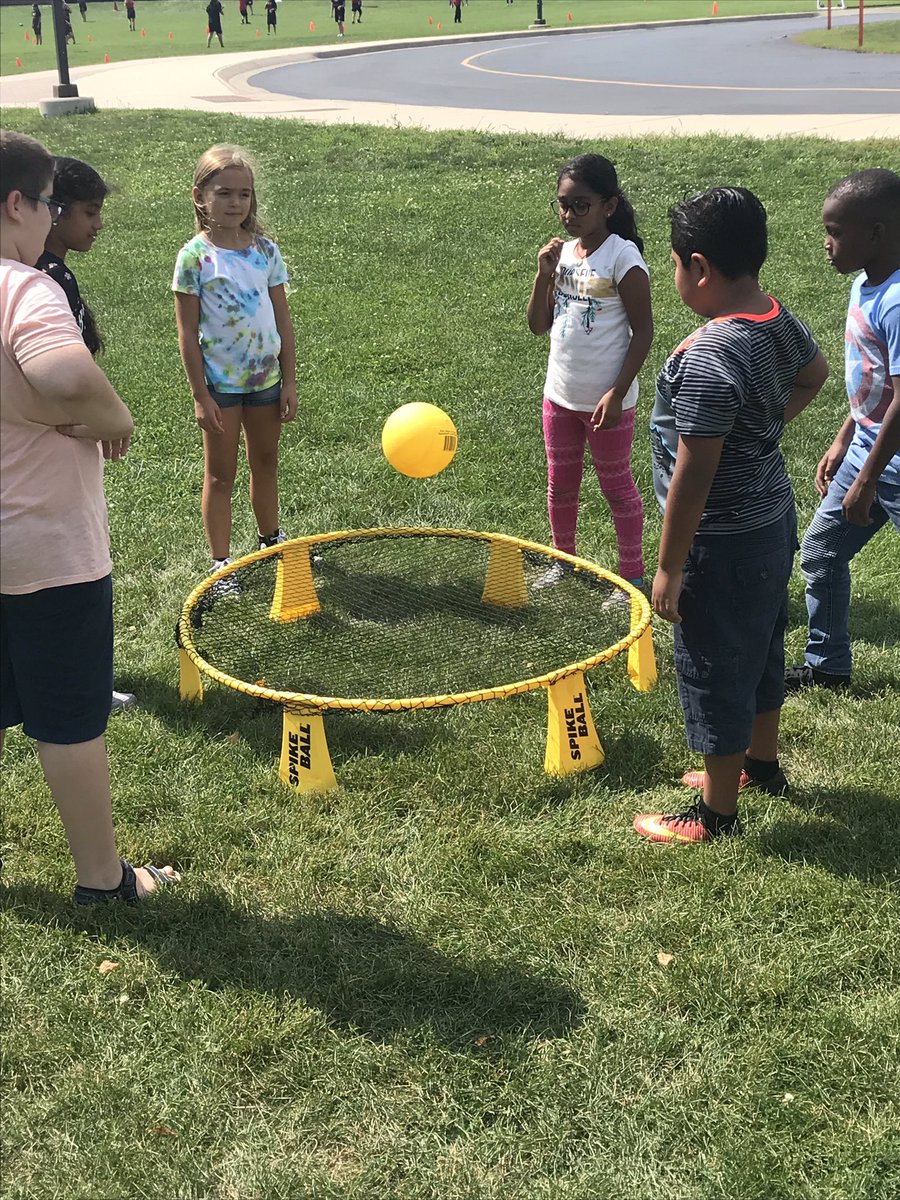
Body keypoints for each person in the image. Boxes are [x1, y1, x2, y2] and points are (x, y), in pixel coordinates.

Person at [0, 129, 179, 903]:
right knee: (69, 716)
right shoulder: (25, 286)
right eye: (46, 204)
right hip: (43, 546)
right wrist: (116, 417)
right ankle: (105, 882)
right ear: (16, 204)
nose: (50, 219)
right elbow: (70, 379)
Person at [634, 187, 829, 844]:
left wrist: (668, 566)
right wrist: (765, 429)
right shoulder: (775, 316)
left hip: (718, 543)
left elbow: (694, 474)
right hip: (771, 523)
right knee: (763, 646)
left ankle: (716, 814)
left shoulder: (713, 357)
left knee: (716, 664)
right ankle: (759, 764)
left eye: (673, 265)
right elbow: (815, 372)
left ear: (698, 267)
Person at [785, 169, 900, 692]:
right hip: (868, 450)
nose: (826, 245)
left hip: (889, 463)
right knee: (821, 552)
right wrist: (843, 438)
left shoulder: (897, 301)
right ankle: (827, 667)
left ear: (876, 233)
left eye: (835, 232)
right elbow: (871, 380)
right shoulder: (865, 282)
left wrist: (868, 478)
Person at [35, 157, 137, 714]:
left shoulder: (43, 271)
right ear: (52, 212)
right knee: (80, 563)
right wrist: (98, 420)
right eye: (90, 212)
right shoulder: (45, 279)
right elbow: (62, 370)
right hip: (57, 450)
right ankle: (86, 684)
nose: (98, 223)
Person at [526, 154, 652, 596]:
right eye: (563, 205)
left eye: (581, 205)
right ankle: (563, 560)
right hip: (559, 395)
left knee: (616, 487)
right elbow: (538, 325)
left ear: (609, 206)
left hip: (606, 402)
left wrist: (617, 393)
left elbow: (643, 333)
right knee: (560, 484)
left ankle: (632, 577)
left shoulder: (623, 257)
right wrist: (544, 277)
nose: (569, 215)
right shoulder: (561, 254)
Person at [172, 145, 298, 585]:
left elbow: (282, 319)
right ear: (200, 196)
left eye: (244, 194)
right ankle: (222, 564)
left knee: (266, 462)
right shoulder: (193, 258)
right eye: (224, 193)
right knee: (220, 475)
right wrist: (200, 395)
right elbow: (187, 333)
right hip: (221, 387)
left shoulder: (265, 251)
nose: (235, 204)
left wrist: (290, 383)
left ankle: (270, 541)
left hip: (266, 381)